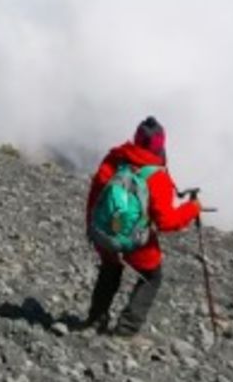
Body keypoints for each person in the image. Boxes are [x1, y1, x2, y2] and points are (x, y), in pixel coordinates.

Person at [83, 116, 200, 337]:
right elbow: (166, 221)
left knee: (110, 270)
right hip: (135, 243)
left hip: (105, 232)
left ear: (136, 138)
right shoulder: (156, 176)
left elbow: (96, 194)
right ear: (160, 145)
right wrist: (192, 209)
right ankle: (126, 330)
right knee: (152, 276)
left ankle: (95, 320)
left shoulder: (114, 159)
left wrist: (91, 226)